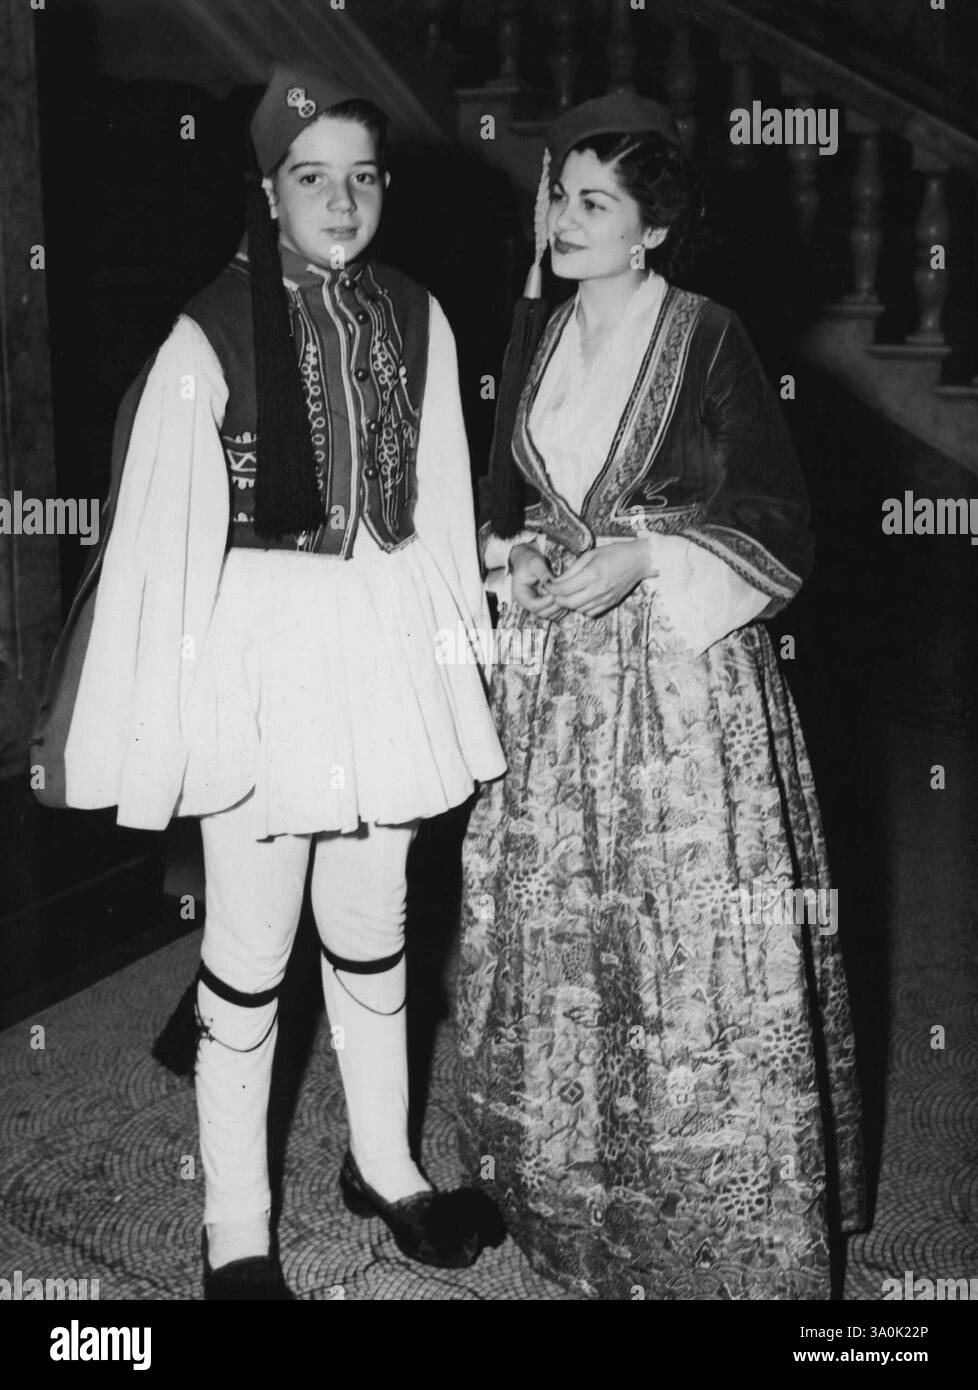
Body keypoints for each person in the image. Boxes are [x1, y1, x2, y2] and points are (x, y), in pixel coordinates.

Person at [35, 63, 506, 1299]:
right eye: (313, 179)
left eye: (362, 177)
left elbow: (446, 509)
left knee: (376, 922)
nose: (341, 202)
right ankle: (236, 1229)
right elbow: (159, 544)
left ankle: (387, 1163)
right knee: (249, 949)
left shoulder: (419, 312)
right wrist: (174, 722)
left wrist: (465, 666)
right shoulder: (208, 331)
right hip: (261, 663)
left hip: (388, 646)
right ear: (267, 189)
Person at [456, 93, 865, 1300]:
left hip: (681, 687)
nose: (565, 220)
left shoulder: (706, 334)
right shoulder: (536, 328)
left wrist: (645, 554)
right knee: (561, 930)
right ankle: (562, 1196)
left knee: (683, 942)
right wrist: (516, 553)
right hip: (555, 681)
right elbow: (501, 492)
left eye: (595, 204)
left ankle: (716, 1228)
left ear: (649, 232)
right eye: (559, 196)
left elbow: (780, 517)